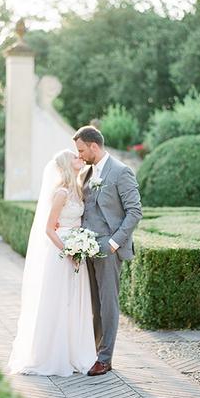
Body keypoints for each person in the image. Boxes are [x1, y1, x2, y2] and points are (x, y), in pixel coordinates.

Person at [8, 149, 96, 376]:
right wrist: (68, 250)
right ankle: (52, 355)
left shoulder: (78, 188)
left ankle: (74, 352)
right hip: (61, 254)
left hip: (77, 251)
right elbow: (49, 229)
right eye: (75, 157)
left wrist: (81, 246)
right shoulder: (61, 193)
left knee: (74, 301)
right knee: (59, 301)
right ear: (68, 164)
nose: (80, 158)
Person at [73, 126, 143, 376]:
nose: (79, 155)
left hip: (108, 248)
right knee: (92, 303)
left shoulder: (121, 172)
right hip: (86, 248)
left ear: (94, 146)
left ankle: (105, 358)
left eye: (81, 150)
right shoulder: (85, 173)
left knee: (108, 304)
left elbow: (135, 211)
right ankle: (93, 352)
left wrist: (114, 243)